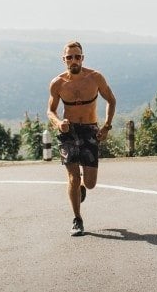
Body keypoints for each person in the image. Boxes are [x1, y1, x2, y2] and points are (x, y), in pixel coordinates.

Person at [47, 41, 116, 236]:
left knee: (91, 183)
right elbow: (50, 111)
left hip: (90, 130)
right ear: (64, 60)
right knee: (73, 177)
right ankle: (77, 218)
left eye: (77, 56)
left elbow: (111, 99)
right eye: (70, 57)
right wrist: (58, 123)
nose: (73, 60)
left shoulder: (95, 78)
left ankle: (83, 187)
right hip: (68, 131)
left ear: (82, 58)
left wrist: (107, 126)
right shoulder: (58, 83)